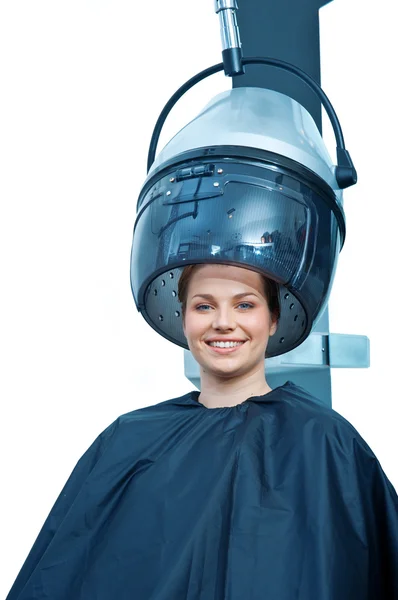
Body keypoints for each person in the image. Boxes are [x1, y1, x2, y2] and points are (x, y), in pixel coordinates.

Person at [6, 263, 398, 599]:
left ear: (273, 318)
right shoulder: (127, 439)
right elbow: (63, 570)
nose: (223, 322)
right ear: (184, 318)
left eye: (245, 304)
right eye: (204, 305)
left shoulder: (325, 441)